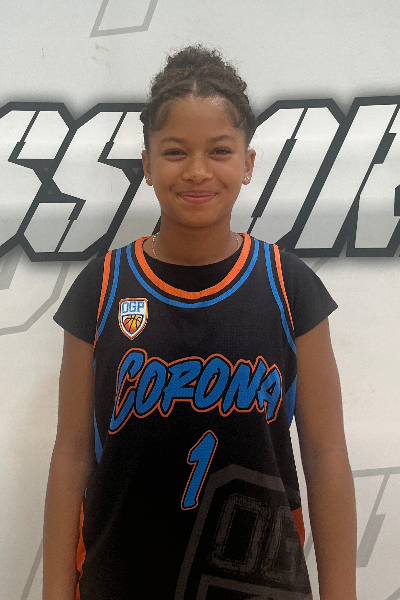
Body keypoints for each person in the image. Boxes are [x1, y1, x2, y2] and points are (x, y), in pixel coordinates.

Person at [43, 45, 357, 600]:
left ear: (248, 163)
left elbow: (326, 454)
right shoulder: (102, 286)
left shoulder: (290, 287)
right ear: (146, 164)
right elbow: (71, 454)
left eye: (219, 151)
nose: (196, 171)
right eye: (174, 151)